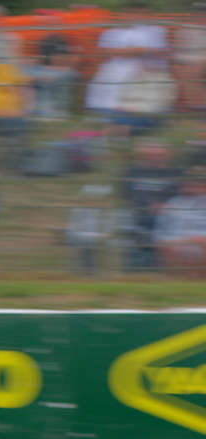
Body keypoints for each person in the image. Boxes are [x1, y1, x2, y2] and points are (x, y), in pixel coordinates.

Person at [86, 10, 172, 135]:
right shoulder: (111, 33)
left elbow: (160, 53)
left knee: (141, 108)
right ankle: (116, 127)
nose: (132, 16)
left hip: (144, 80)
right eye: (128, 13)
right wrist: (138, 50)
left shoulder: (155, 31)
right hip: (115, 79)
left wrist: (136, 52)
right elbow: (103, 52)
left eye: (136, 13)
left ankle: (116, 129)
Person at [119, 137, 180, 268]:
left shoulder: (173, 173)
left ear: (167, 156)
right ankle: (137, 266)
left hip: (166, 215)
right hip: (138, 214)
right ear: (142, 156)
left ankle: (152, 265)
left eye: (160, 155)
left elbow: (177, 196)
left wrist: (163, 206)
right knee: (135, 224)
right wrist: (145, 206)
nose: (155, 158)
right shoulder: (131, 172)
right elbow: (126, 196)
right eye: (150, 155)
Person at [153, 174, 206, 274]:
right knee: (166, 248)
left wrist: (199, 240)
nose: (195, 189)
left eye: (199, 185)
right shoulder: (172, 204)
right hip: (178, 245)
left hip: (202, 245)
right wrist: (185, 242)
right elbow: (161, 235)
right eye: (191, 185)